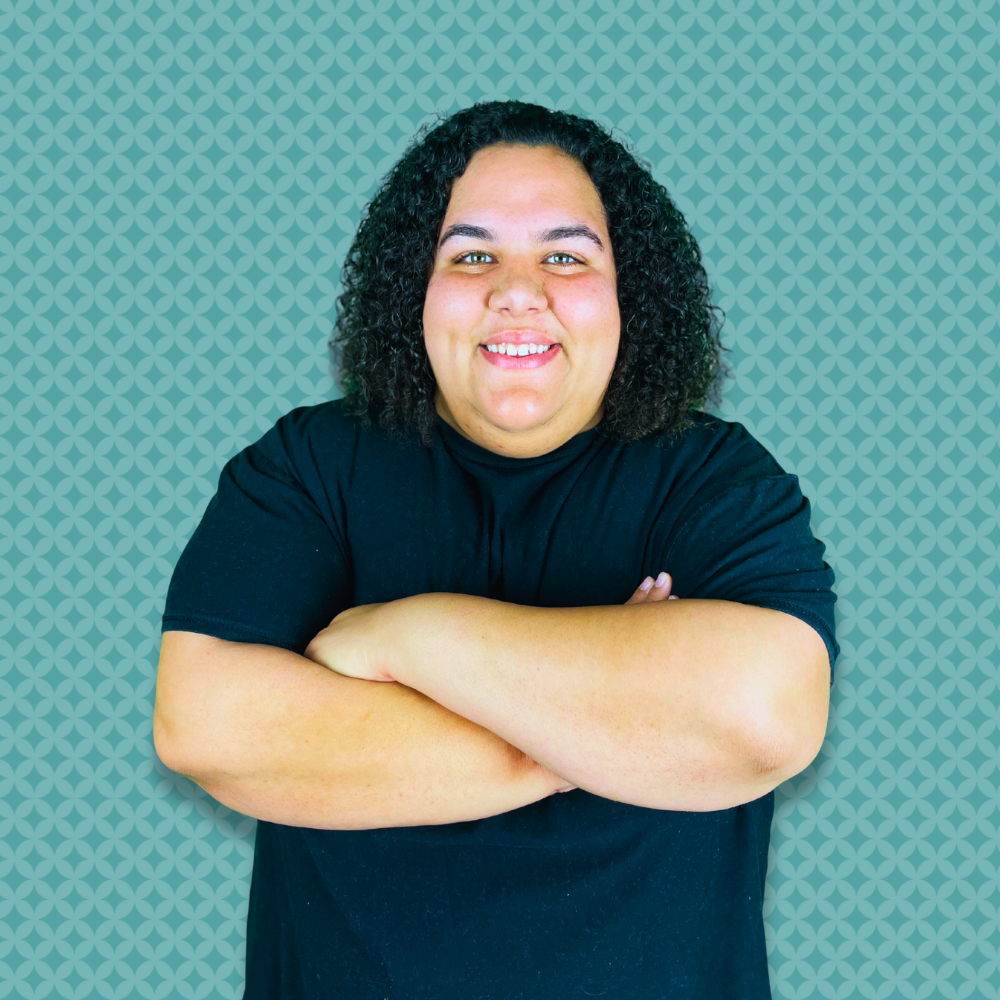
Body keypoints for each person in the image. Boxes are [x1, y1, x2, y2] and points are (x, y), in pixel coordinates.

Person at [154, 101, 838, 999]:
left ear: (632, 291)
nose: (518, 289)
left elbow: (762, 720)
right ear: (414, 290)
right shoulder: (307, 470)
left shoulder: (715, 480)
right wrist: (591, 741)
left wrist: (404, 637)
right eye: (471, 254)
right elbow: (204, 729)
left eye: (566, 254)